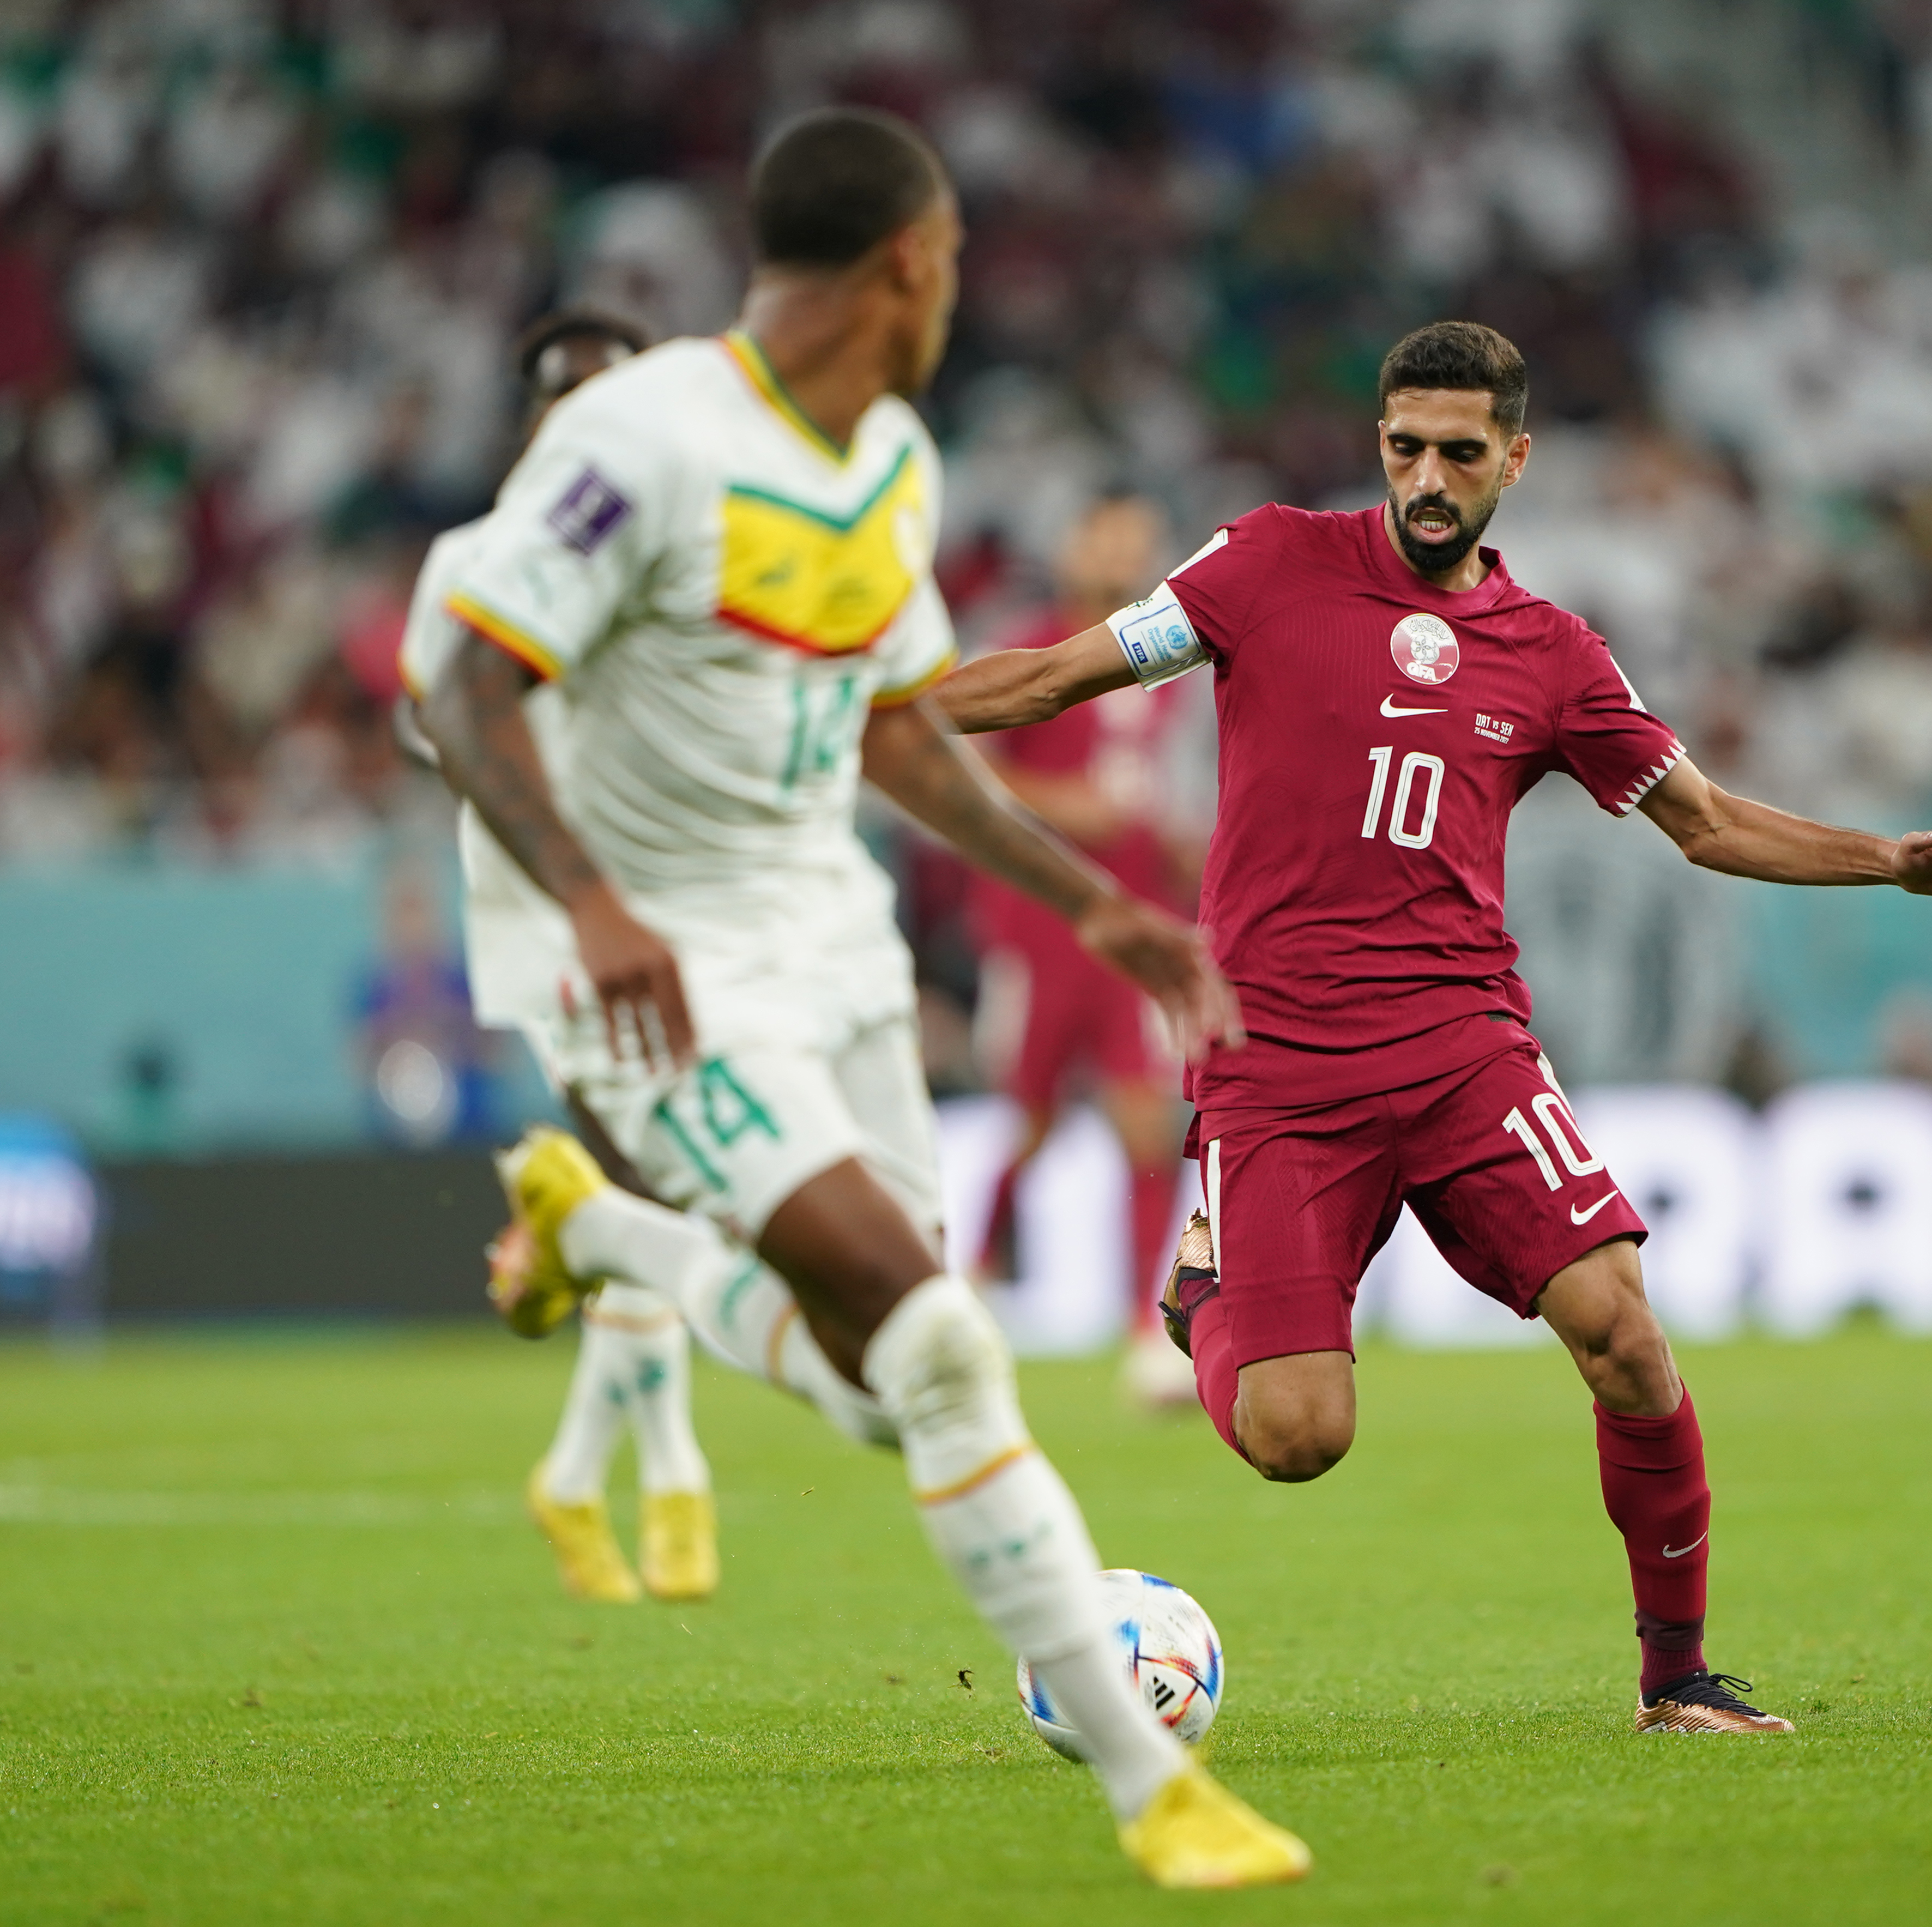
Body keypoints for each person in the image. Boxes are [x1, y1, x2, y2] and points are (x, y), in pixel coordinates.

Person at [403, 108, 1308, 1888]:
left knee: (892, 1379)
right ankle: (1150, 1783)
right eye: (957, 260)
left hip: (834, 939)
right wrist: (593, 905)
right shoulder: (643, 438)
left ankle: (610, 1240)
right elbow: (460, 675)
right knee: (941, 1337)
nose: (957, 292)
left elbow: (897, 726)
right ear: (907, 262)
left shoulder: (890, 458)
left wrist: (1095, 906)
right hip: (671, 972)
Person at [934, 321, 1932, 1735]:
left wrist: (1883, 857)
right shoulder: (1259, 566)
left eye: (1458, 453)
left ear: (1514, 458)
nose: (1427, 477)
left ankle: (1673, 1679)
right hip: (1280, 1067)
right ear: (1380, 445)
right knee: (1295, 1440)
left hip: (1463, 1051)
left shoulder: (1552, 656)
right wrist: (868, 715)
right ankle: (1207, 1291)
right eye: (1404, 449)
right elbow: (1056, 675)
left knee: (1620, 1331)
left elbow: (1706, 823)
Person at [401, 305, 725, 1607]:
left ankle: (585, 1468)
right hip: (558, 907)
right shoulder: (476, 558)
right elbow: (437, 726)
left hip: (685, 900)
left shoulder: (687, 554)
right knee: (656, 1177)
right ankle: (669, 1470)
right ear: (537, 419)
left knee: (652, 1189)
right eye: (573, 395)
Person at [965, 493, 1200, 1409]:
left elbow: (1165, 789)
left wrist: (1181, 846)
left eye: (1136, 538)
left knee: (1144, 1126)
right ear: (1070, 545)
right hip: (1039, 927)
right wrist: (1065, 812)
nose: (1121, 552)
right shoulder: (1030, 651)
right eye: (1106, 535)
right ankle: (972, 1284)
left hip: (1136, 926)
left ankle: (1149, 1334)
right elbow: (969, 764)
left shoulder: (1165, 668)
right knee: (1029, 1123)